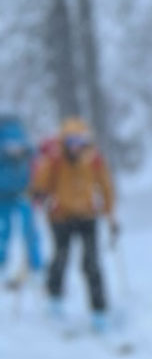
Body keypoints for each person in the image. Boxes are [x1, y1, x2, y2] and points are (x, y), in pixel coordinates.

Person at [30, 116, 115, 328]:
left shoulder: (93, 159)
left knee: (91, 263)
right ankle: (54, 298)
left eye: (80, 141)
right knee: (61, 257)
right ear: (64, 142)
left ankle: (99, 310)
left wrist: (109, 212)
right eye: (71, 142)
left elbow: (105, 185)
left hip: (87, 216)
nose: (76, 147)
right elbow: (40, 181)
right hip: (60, 217)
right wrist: (39, 194)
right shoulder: (55, 159)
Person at [0, 111, 45, 289]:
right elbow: (34, 158)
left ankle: (29, 263)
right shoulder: (21, 135)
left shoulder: (14, 134)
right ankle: (34, 263)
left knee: (13, 230)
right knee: (25, 230)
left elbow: (35, 160)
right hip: (18, 193)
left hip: (14, 193)